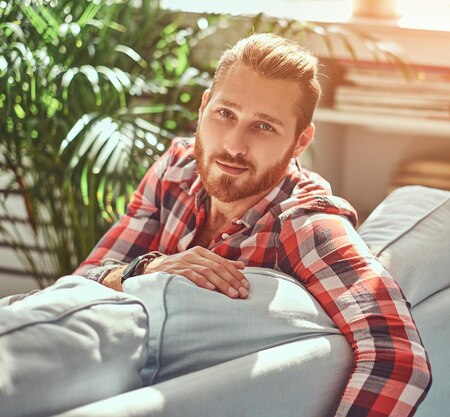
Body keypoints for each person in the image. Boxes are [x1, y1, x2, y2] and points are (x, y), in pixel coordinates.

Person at [75, 33, 431, 417]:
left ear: (300, 142)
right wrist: (148, 267)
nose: (234, 146)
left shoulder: (306, 222)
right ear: (203, 107)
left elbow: (397, 358)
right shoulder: (176, 169)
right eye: (225, 114)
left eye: (264, 127)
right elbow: (82, 281)